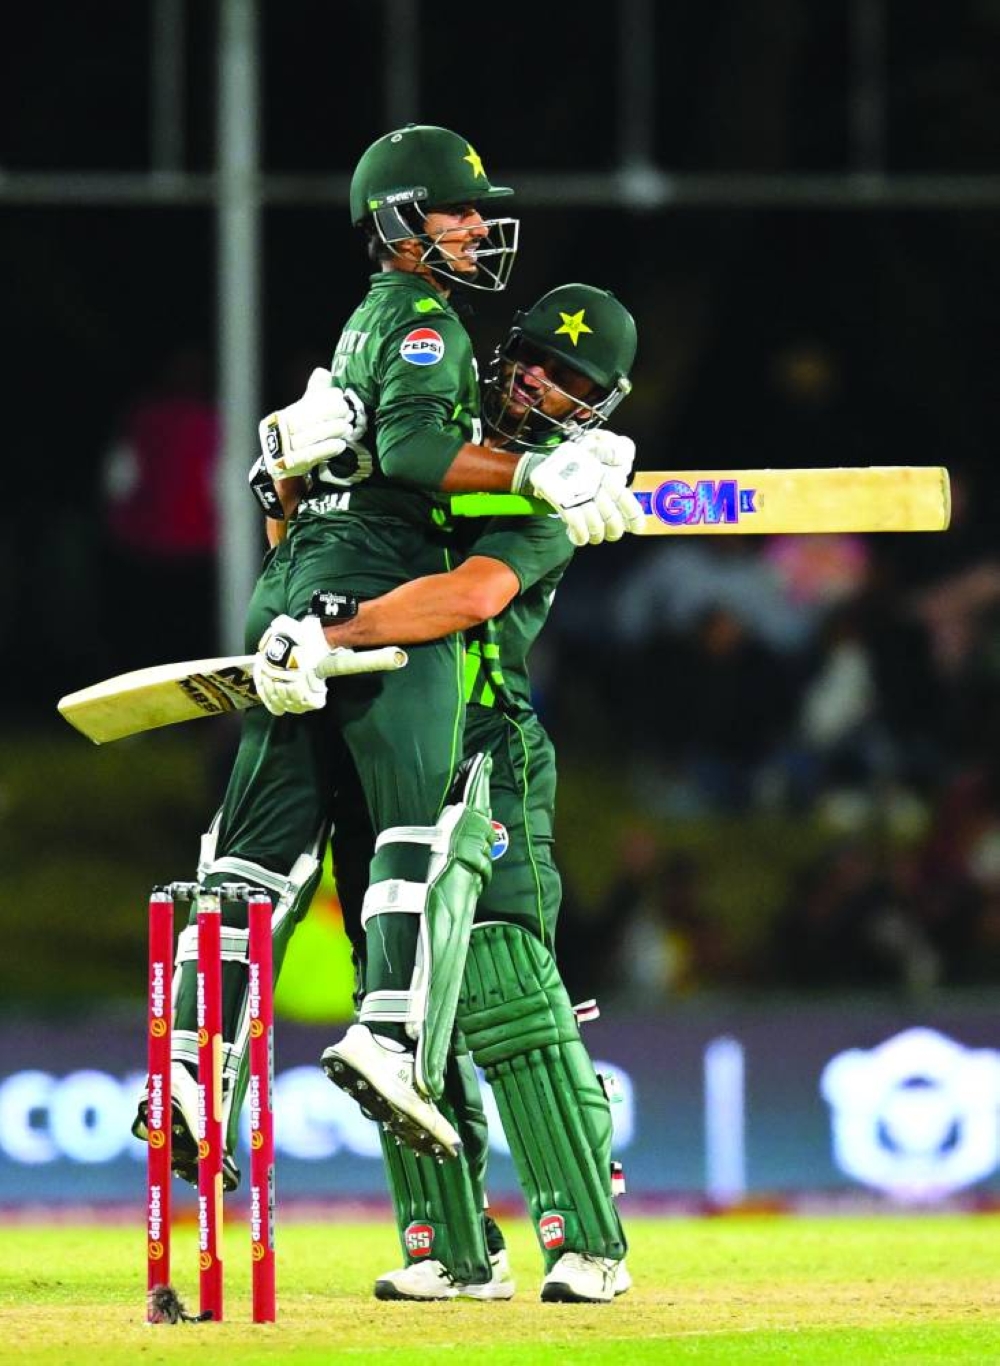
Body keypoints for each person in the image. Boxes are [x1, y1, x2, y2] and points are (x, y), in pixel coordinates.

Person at [131, 128, 641, 1192]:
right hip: (412, 664)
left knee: (254, 862)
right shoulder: (429, 336)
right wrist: (544, 473)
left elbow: (457, 565)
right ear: (404, 219)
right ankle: (390, 1046)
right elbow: (443, 561)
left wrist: (293, 550)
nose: (471, 228)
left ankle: (188, 1063)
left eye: (569, 384)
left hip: (316, 605)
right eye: (454, 211)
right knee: (427, 832)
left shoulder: (399, 353)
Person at [259, 282, 638, 1304]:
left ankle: (588, 1243)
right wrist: (282, 483)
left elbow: (467, 595)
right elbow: (304, 560)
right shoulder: (426, 436)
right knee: (392, 986)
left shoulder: (565, 489)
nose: (540, 386)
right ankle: (452, 1249)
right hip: (378, 727)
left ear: (597, 405)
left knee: (500, 985)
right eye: (534, 360)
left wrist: (335, 629)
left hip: (483, 741)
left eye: (572, 383)